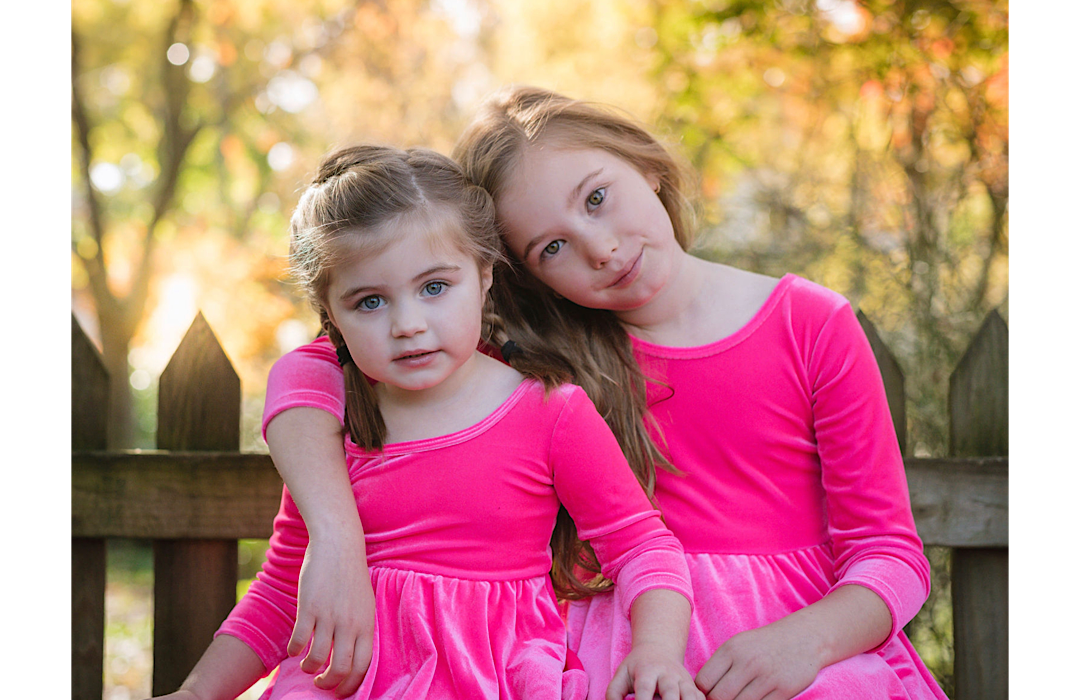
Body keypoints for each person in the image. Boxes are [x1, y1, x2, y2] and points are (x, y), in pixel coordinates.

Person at [261, 88, 949, 700]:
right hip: (613, 641)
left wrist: (809, 643)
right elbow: (314, 367)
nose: (597, 247)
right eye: (551, 247)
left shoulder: (810, 321)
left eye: (597, 198)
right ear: (517, 275)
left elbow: (890, 553)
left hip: (794, 634)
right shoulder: (532, 354)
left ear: (646, 163)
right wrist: (336, 536)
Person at [150, 144, 702, 700]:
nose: (408, 325)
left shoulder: (548, 410)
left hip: (494, 680)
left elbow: (641, 547)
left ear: (485, 275)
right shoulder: (335, 431)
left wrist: (656, 651)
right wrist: (197, 693)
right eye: (370, 302)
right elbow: (281, 593)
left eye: (434, 287)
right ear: (331, 314)